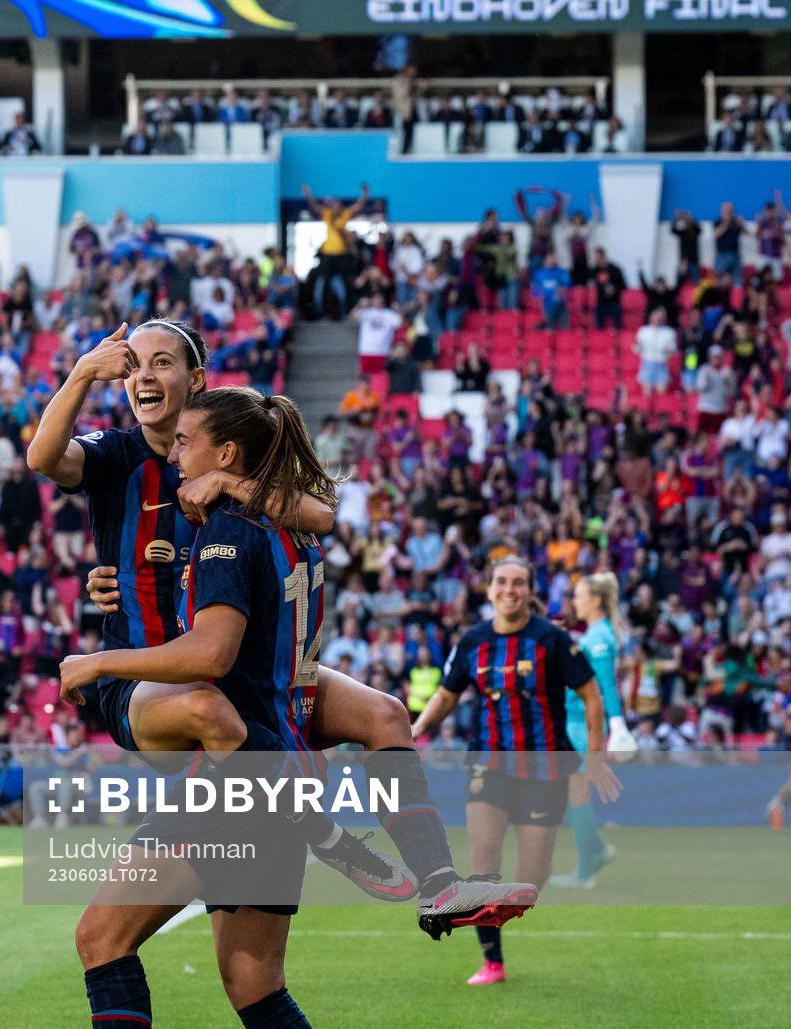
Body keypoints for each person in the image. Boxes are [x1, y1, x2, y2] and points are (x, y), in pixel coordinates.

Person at [33, 319, 532, 932]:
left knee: (385, 715)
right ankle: (329, 837)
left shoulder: (228, 448)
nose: (144, 375)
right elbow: (42, 456)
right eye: (134, 364)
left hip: (245, 672)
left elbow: (320, 514)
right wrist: (84, 370)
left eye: (162, 363)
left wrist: (229, 481)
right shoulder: (115, 456)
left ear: (197, 380)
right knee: (206, 714)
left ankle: (439, 884)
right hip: (163, 683)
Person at [29, 387, 386, 1029]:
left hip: (241, 781)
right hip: (286, 762)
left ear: (226, 456)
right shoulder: (286, 527)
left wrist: (100, 663)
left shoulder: (229, 530)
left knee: (102, 936)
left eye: (186, 440)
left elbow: (212, 653)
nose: (175, 452)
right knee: (254, 977)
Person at [412, 558, 620, 985]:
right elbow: (447, 697)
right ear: (488, 590)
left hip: (546, 771)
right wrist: (412, 732)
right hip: (489, 763)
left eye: (518, 582)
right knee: (484, 864)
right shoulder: (473, 641)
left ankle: (489, 914)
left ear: (528, 590)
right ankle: (492, 962)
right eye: (502, 582)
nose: (509, 589)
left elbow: (591, 695)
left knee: (531, 880)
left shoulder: (552, 640)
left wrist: (595, 758)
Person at [549, 573, 635, 890]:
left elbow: (605, 685)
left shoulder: (599, 637)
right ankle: (596, 850)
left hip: (580, 725)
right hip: (571, 722)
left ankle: (586, 871)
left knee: (574, 794)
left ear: (596, 600)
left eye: (579, 595)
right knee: (565, 796)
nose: (574, 601)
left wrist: (617, 724)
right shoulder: (595, 634)